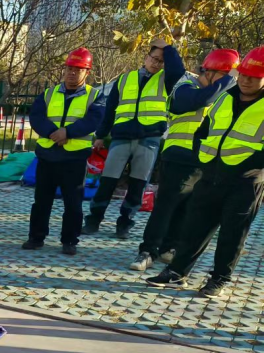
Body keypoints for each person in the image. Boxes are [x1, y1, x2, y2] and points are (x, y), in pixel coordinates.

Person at [146, 47, 264, 297]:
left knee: (232, 234)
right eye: (243, 74)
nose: (246, 80)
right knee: (194, 226)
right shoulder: (225, 97)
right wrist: (204, 159)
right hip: (211, 174)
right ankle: (177, 272)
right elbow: (203, 131)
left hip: (245, 181)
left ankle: (219, 279)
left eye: (254, 77)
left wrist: (247, 166)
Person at [129, 49, 239, 271]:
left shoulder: (222, 96)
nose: (229, 82)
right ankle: (148, 250)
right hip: (178, 155)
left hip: (204, 160)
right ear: (208, 72)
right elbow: (199, 100)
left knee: (188, 208)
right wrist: (229, 80)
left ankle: (169, 248)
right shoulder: (185, 86)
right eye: (224, 76)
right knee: (166, 205)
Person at [83, 37, 186, 238]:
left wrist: (168, 48)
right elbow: (110, 109)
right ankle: (93, 220)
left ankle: (125, 223)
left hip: (149, 139)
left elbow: (178, 69)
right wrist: (101, 135)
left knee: (138, 185)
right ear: (146, 57)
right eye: (154, 58)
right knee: (107, 181)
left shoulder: (167, 79)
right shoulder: (124, 79)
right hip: (121, 137)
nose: (156, 64)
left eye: (161, 61)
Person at [23, 48, 105, 255]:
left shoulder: (95, 96)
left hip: (74, 159)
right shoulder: (49, 93)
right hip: (47, 156)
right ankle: (36, 238)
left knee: (73, 203)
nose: (72, 73)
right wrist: (53, 133)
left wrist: (67, 132)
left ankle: (69, 241)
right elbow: (36, 117)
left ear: (87, 72)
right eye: (69, 68)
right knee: (41, 202)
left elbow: (94, 120)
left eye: (78, 69)